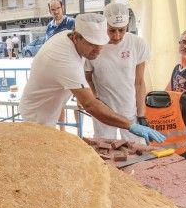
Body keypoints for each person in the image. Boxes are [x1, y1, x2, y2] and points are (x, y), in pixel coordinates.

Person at [18, 13, 165, 144]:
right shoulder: (65, 58)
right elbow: (90, 104)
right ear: (76, 37)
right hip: (36, 117)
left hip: (49, 111)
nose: (98, 51)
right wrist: (130, 125)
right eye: (92, 45)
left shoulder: (71, 38)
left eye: (101, 45)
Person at [85, 3, 150, 144]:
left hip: (129, 110)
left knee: (138, 151)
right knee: (105, 152)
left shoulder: (137, 43)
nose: (117, 36)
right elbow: (87, 79)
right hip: (104, 112)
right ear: (104, 26)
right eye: (111, 30)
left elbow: (139, 82)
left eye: (122, 30)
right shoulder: (93, 46)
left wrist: (142, 115)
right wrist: (95, 100)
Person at [45, 0, 76, 131]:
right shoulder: (49, 26)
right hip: (56, 69)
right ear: (50, 11)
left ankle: (78, 132)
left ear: (62, 7)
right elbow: (47, 46)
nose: (56, 11)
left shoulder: (71, 22)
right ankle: (62, 132)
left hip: (72, 67)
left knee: (77, 101)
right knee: (59, 102)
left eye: (58, 8)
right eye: (53, 9)